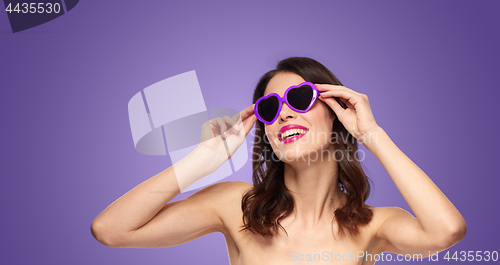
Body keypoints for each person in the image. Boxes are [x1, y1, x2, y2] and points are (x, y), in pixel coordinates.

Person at [91, 57, 466, 264]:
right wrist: (202, 162)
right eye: (270, 108)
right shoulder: (237, 207)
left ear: (336, 111)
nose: (284, 114)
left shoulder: (372, 225)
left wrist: (372, 135)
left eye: (299, 99)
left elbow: (446, 230)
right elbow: (111, 230)